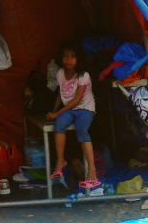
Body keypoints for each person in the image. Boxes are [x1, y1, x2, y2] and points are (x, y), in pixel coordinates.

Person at [45, 43, 99, 189]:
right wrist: (53, 110)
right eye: (65, 56)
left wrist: (57, 112)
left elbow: (77, 100)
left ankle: (92, 171)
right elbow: (60, 94)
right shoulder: (61, 73)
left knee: (82, 131)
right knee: (59, 124)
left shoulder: (83, 75)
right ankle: (60, 160)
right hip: (69, 108)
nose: (68, 60)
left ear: (78, 59)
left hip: (84, 108)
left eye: (72, 56)